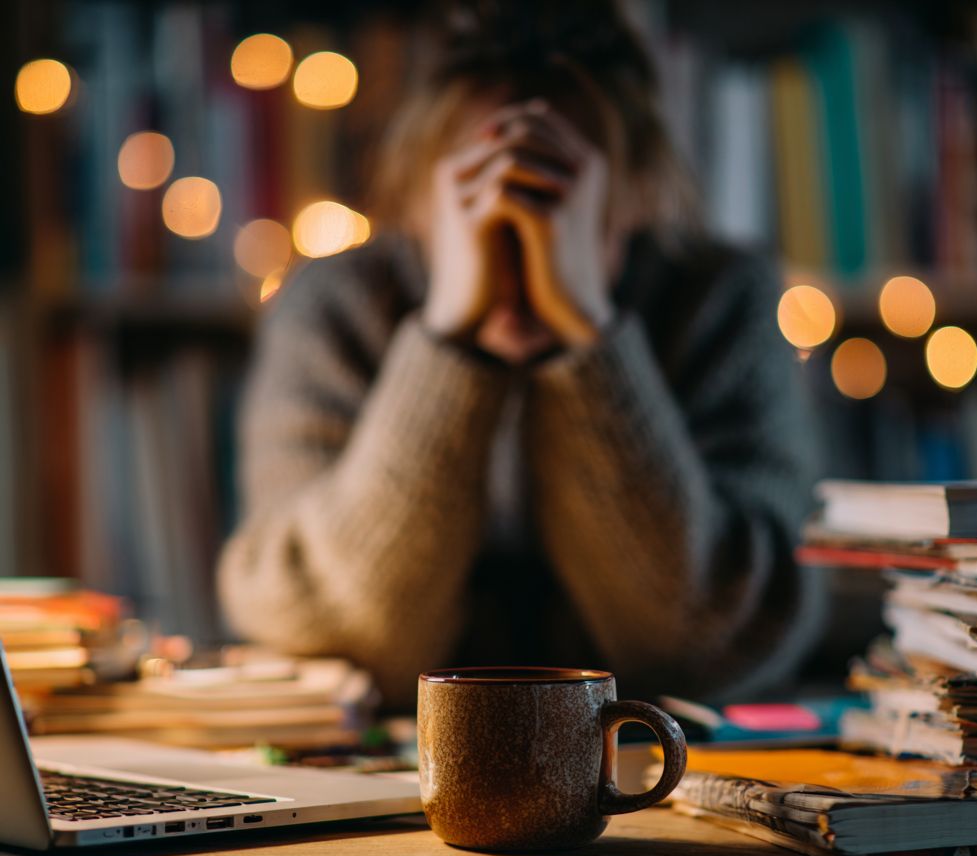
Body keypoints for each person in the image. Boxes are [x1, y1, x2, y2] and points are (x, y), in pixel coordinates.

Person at [217, 0, 819, 710]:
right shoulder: (339, 303)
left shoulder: (719, 298)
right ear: (417, 197)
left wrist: (590, 337)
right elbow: (325, 635)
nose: (518, 225)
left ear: (635, 196)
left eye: (558, 187)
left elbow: (712, 643)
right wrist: (446, 339)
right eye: (478, 187)